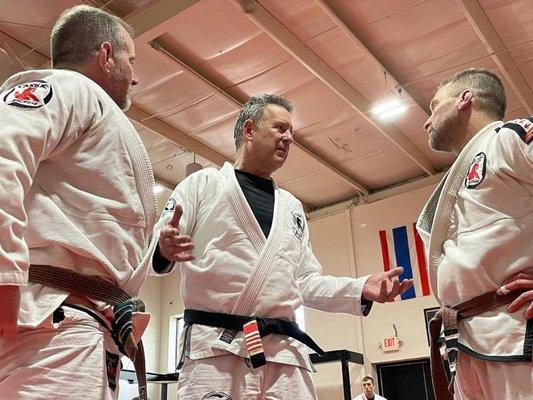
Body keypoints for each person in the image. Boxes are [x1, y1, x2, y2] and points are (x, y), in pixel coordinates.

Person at [153, 94, 414, 399]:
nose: (289, 138)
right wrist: (163, 248)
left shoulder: (292, 207)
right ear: (249, 130)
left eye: (292, 132)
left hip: (284, 354)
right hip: (215, 351)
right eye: (280, 128)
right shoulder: (202, 185)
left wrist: (358, 289)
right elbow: (162, 241)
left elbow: (303, 281)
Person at [0, 5, 157, 400]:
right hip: (48, 328)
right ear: (106, 55)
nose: (135, 76)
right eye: (130, 60)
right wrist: (4, 275)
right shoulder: (70, 88)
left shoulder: (90, 115)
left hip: (74, 326)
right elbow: (3, 154)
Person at [417, 68, 533, 399]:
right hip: (468, 341)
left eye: (434, 106)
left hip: (516, 331)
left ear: (465, 99)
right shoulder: (461, 173)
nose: (427, 121)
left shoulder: (509, 139)